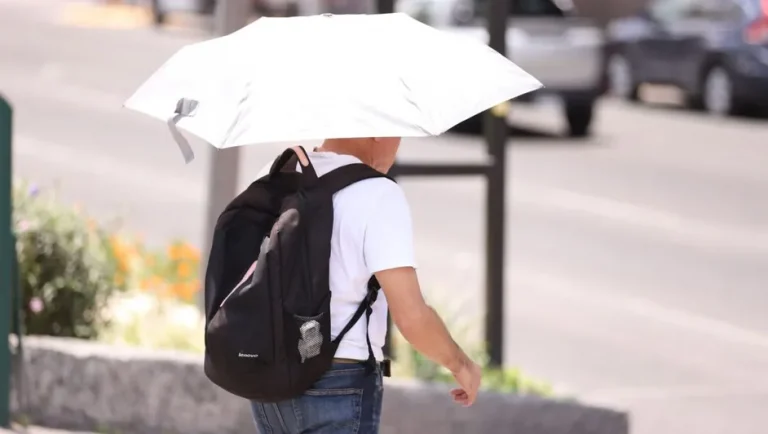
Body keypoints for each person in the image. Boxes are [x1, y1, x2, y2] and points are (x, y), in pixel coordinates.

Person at [250, 137, 482, 434]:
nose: (398, 145)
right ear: (377, 129)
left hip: (268, 373)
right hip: (339, 376)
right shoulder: (377, 193)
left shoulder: (275, 172)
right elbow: (411, 316)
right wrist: (461, 364)